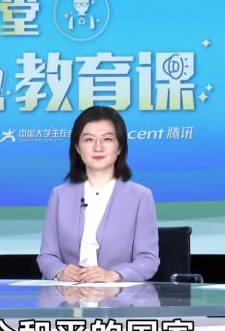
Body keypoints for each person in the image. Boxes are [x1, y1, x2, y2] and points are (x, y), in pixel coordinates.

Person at [37, 105, 159, 283]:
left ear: (119, 147)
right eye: (88, 139)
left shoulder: (140, 196)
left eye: (107, 139)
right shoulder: (60, 195)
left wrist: (114, 275)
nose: (98, 147)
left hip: (119, 297)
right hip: (67, 295)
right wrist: (60, 272)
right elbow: (47, 256)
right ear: (77, 147)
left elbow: (148, 260)